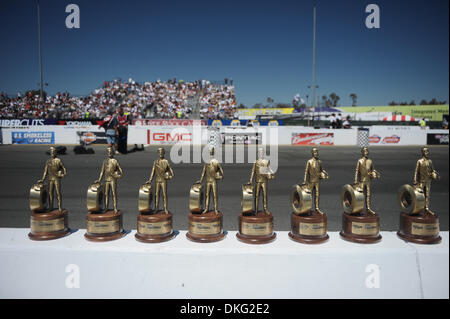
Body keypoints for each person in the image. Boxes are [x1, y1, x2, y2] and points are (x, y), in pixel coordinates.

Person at [38, 146, 67, 211]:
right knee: (50, 193)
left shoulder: (58, 160)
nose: (52, 153)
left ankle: (59, 206)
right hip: (50, 179)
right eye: (51, 152)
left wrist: (63, 174)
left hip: (56, 178)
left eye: (53, 152)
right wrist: (42, 179)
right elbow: (45, 172)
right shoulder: (48, 161)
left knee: (58, 193)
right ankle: (51, 206)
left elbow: (64, 168)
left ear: (56, 153)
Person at [95, 146, 123, 213]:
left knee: (114, 193)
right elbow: (102, 172)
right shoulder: (105, 161)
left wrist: (117, 175)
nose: (109, 153)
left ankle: (115, 208)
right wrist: (99, 179)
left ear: (113, 153)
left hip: (113, 179)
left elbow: (120, 171)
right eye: (108, 152)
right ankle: (106, 207)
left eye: (110, 152)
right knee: (106, 194)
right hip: (106, 180)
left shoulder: (115, 161)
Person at [146, 148, 174, 213]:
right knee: (156, 194)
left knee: (164, 194)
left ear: (164, 153)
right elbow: (153, 172)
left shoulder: (166, 161)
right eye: (159, 152)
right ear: (158, 153)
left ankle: (165, 208)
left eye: (162, 152)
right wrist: (150, 180)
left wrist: (170, 176)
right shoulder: (155, 162)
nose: (161, 154)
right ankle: (156, 208)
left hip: (163, 180)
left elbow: (171, 171)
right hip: (157, 180)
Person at [354, 147, 380, 215]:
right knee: (360, 195)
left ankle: (368, 208)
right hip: (362, 181)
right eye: (365, 152)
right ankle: (360, 209)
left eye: (367, 151)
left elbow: (372, 169)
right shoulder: (359, 161)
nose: (366, 153)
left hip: (368, 180)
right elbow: (357, 171)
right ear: (362, 152)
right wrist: (355, 180)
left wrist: (375, 174)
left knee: (368, 195)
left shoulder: (370, 161)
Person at [197, 148, 224, 214]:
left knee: (211, 195)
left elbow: (203, 172)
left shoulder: (214, 161)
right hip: (210, 181)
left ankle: (214, 209)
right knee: (210, 195)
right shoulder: (210, 161)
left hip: (211, 181)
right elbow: (204, 172)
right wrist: (221, 176)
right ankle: (208, 208)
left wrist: (220, 176)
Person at [414, 147, 440, 215]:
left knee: (427, 195)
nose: (427, 153)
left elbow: (432, 170)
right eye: (426, 152)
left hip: (428, 181)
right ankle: (418, 208)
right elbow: (416, 171)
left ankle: (426, 208)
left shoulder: (430, 161)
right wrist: (415, 180)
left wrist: (436, 175)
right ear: (423, 153)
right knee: (419, 195)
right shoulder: (419, 161)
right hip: (421, 181)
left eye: (428, 152)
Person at [303, 148, 328, 214]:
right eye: (314, 152)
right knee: (309, 195)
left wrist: (325, 173)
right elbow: (306, 171)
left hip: (317, 180)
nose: (316, 153)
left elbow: (322, 169)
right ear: (312, 153)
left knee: (317, 194)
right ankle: (308, 208)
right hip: (311, 181)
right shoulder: (309, 161)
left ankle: (317, 208)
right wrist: (305, 180)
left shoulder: (319, 162)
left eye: (316, 152)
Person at [249, 148, 275, 215]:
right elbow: (253, 171)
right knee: (257, 195)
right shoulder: (256, 162)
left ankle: (265, 209)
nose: (261, 154)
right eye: (259, 152)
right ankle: (256, 209)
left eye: (262, 152)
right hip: (258, 181)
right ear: (258, 153)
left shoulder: (266, 161)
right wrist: (250, 180)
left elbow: (270, 169)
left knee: (265, 195)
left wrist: (272, 174)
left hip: (264, 181)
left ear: (263, 153)